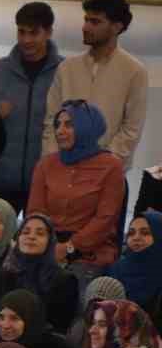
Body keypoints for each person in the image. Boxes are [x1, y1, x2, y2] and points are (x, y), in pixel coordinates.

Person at [40, 0, 148, 169]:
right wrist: (53, 165)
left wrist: (100, 166)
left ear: (117, 27)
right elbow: (52, 121)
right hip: (63, 171)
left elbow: (131, 130)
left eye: (95, 22)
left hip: (107, 173)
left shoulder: (134, 71)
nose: (85, 27)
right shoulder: (67, 68)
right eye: (86, 20)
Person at [29, 101, 127, 279]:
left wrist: (69, 247)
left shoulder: (111, 166)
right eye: (58, 125)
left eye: (69, 125)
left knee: (72, 286)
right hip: (48, 246)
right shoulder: (45, 165)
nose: (60, 131)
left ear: (87, 127)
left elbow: (105, 219)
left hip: (91, 252)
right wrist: (48, 246)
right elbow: (35, 213)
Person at [0, 2, 64, 208]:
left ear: (48, 32)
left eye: (34, 33)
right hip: (1, 180)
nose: (26, 40)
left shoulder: (65, 73)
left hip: (47, 180)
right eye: (21, 32)